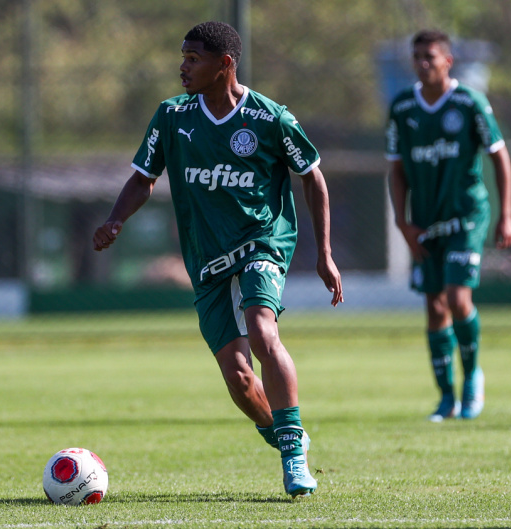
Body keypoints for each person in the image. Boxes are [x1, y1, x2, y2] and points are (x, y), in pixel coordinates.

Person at [93, 21, 343, 497]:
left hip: (262, 241)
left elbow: (313, 178)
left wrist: (324, 254)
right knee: (240, 378)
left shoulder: (271, 119)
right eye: (183, 57)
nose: (182, 67)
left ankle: (294, 456)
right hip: (207, 259)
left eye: (193, 59)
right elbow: (144, 178)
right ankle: (284, 434)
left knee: (264, 331)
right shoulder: (172, 116)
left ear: (224, 64)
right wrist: (116, 220)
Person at [385, 30, 511, 422]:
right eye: (417, 57)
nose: (423, 63)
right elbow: (396, 170)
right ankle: (446, 398)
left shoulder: (469, 103)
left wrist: (506, 215)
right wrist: (402, 222)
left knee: (459, 299)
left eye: (430, 56)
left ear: (448, 61)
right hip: (424, 222)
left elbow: (500, 157)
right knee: (434, 307)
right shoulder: (403, 107)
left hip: (466, 215)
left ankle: (472, 375)